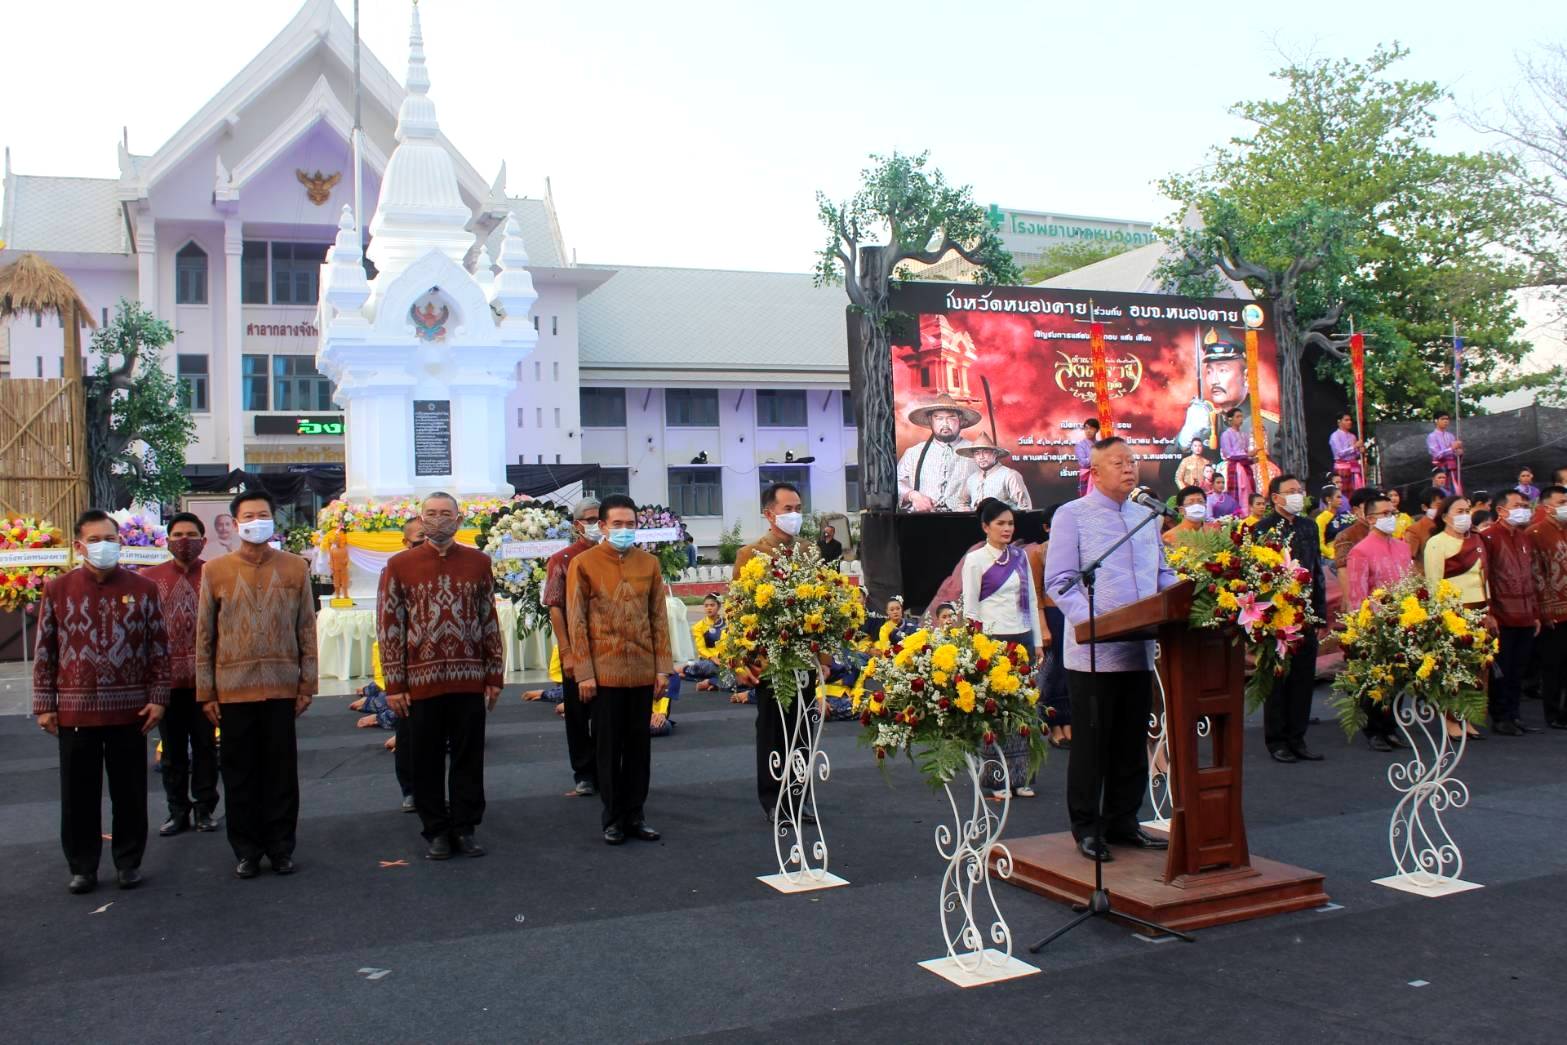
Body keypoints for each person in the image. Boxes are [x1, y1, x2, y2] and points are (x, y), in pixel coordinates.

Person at [1044, 437, 1177, 861]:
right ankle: (1087, 827)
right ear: (1096, 473)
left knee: (1131, 741)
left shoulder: (1146, 516)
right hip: (1094, 654)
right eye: (1118, 462)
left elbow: (1162, 573)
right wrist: (1092, 623)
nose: (1128, 468)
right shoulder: (1072, 515)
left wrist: (1189, 595)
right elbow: (1060, 582)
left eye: (1132, 461)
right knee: (1093, 745)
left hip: (1139, 649)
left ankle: (1123, 821)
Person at [33, 509, 169, 894]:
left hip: (131, 711)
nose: (103, 546)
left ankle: (129, 862)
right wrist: (44, 704)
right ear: (79, 546)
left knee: (130, 793)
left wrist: (159, 698)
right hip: (75, 712)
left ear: (120, 541)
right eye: (94, 541)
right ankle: (83, 867)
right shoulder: (57, 589)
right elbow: (45, 651)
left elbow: (159, 649)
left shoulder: (144, 589)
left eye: (110, 539)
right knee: (78, 796)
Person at [195, 490, 317, 879]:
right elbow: (205, 635)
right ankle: (246, 850)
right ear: (235, 523)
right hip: (233, 690)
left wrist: (307, 684)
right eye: (248, 516)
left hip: (282, 687)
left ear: (273, 520)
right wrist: (206, 692)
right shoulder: (215, 570)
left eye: (263, 514)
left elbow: (306, 627)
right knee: (239, 774)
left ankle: (281, 848)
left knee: (281, 773)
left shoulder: (296, 568)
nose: (256, 521)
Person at [377, 493, 505, 860]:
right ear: (421, 519)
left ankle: (465, 827)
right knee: (425, 759)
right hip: (420, 682)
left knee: (468, 756)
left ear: (458, 520)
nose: (438, 519)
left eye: (445, 513)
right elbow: (389, 626)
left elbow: (488, 619)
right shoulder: (399, 564)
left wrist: (494, 675)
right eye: (431, 514)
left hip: (469, 678)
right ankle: (435, 829)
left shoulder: (479, 562)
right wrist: (394, 684)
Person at [568, 493, 673, 845]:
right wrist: (584, 673)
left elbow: (659, 619)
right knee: (608, 748)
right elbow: (576, 622)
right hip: (604, 674)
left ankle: (636, 814)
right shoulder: (583, 563)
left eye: (630, 524)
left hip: (643, 671)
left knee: (639, 749)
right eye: (618, 524)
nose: (625, 529)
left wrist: (663, 669)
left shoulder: (649, 563)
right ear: (602, 526)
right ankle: (612, 818)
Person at [733, 482, 823, 821]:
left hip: (805, 654)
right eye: (788, 509)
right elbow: (739, 611)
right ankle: (773, 798)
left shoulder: (810, 551)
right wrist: (742, 660)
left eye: (798, 508)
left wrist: (824, 659)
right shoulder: (751, 553)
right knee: (773, 729)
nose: (795, 515)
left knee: (803, 730)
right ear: (769, 514)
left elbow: (824, 605)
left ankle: (799, 796)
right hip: (769, 659)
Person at [961, 499, 1046, 799]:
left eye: (1010, 523)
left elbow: (1032, 600)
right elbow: (971, 608)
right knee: (995, 712)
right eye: (1000, 523)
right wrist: (974, 648)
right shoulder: (975, 560)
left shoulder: (1020, 557)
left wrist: (1037, 641)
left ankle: (1022, 777)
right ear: (986, 527)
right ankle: (996, 780)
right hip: (992, 641)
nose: (1007, 529)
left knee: (1024, 711)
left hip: (1022, 639)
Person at [143, 512, 219, 837]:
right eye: (177, 535)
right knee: (172, 752)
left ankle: (205, 809)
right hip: (167, 683)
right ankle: (177, 810)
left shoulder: (215, 574)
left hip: (206, 683)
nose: (184, 541)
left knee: (206, 748)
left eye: (191, 534)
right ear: (167, 540)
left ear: (203, 540)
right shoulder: (149, 579)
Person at [1255, 475, 1328, 764]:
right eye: (1291, 491)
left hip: (1305, 613)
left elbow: (1317, 570)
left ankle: (1298, 738)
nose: (1298, 495)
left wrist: (1320, 615)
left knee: (1302, 678)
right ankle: (1277, 741)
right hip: (1277, 615)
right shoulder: (1262, 528)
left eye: (1300, 490)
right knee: (1278, 680)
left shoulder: (1309, 526)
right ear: (1276, 498)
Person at [1344, 494, 1414, 751]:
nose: (1391, 518)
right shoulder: (1360, 550)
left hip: (1403, 620)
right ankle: (1374, 730)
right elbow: (1357, 594)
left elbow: (1409, 583)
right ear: (1371, 519)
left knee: (1397, 676)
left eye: (1393, 513)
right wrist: (1363, 627)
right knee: (1375, 679)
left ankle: (1391, 727)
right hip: (1375, 623)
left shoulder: (1403, 546)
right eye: (1385, 514)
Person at [543, 499, 602, 797]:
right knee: (578, 714)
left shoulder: (613, 555)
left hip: (610, 650)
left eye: (599, 519)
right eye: (589, 519)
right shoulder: (562, 559)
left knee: (606, 715)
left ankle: (606, 769)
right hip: (576, 650)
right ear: (577, 524)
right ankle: (584, 773)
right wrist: (566, 652)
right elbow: (555, 607)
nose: (595, 524)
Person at [1478, 491, 1544, 736]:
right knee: (1502, 670)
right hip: (1502, 615)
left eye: (1526, 505)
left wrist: (1535, 613)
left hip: (1525, 614)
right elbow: (1484, 578)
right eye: (1518, 506)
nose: (1523, 510)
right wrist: (1490, 612)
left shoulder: (1524, 537)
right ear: (1501, 510)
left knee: (1518, 669)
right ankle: (1501, 716)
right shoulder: (1488, 537)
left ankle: (1514, 715)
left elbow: (1531, 576)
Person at [1422, 495, 1487, 741]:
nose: (1465, 515)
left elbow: (1485, 577)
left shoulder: (1477, 541)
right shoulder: (1436, 543)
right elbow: (1434, 583)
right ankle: (1449, 719)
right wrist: (1441, 616)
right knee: (1453, 668)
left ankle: (1468, 716)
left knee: (1476, 668)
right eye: (1459, 511)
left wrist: (1488, 609)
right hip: (1453, 613)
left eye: (1468, 510)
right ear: (1445, 516)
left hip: (1479, 610)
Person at [1026, 509, 1072, 748]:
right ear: (1047, 527)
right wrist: (1042, 626)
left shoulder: (1076, 548)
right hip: (1052, 615)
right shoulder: (1038, 553)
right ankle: (1055, 724)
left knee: (1071, 671)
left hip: (1074, 614)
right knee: (1054, 672)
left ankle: (1070, 721)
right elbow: (1035, 593)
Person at [897, 393, 979, 511]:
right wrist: (913, 495)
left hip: (967, 519)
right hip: (924, 519)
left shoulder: (977, 451)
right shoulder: (913, 453)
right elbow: (896, 483)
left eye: (951, 417)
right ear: (930, 420)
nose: (945, 423)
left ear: (960, 420)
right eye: (939, 418)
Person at [1528, 485, 1567, 729]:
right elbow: (1536, 575)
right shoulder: (1536, 532)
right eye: (1562, 502)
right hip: (1553, 612)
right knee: (1554, 665)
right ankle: (1553, 713)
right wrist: (1545, 610)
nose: (1565, 506)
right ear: (1547, 506)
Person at [959, 434, 1033, 510]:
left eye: (986, 452)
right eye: (977, 453)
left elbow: (1025, 508)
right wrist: (969, 513)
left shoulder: (1010, 475)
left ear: (995, 454)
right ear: (974, 457)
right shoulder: (971, 479)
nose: (981, 457)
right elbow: (962, 502)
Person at [685, 593, 735, 691]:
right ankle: (688, 670)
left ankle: (712, 682)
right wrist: (713, 658)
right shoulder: (698, 626)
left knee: (737, 669)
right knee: (712, 667)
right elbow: (701, 649)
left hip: (726, 659)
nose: (709, 608)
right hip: (708, 661)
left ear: (719, 606)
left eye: (712, 605)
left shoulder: (728, 623)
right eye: (706, 606)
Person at [1332, 487, 1381, 584]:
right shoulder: (1346, 536)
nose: (1376, 510)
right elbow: (1344, 573)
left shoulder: (1384, 532)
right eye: (1370, 505)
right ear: (1356, 510)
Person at [1219, 408, 1258, 508]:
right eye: (1238, 417)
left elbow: (1245, 451)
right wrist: (1248, 455)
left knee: (1249, 490)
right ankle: (1239, 513)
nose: (1241, 419)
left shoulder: (1244, 435)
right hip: (1235, 467)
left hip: (1245, 466)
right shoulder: (1226, 434)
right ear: (1230, 419)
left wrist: (1251, 459)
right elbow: (1229, 454)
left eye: (1241, 416)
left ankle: (1249, 512)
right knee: (1240, 491)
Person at [1427, 412, 1464, 494]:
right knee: (1442, 491)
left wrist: (1459, 453)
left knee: (1456, 490)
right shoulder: (1432, 436)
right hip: (1441, 468)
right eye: (1443, 419)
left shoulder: (1451, 436)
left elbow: (1455, 455)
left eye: (1447, 419)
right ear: (1436, 420)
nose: (1446, 421)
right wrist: (1452, 448)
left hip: (1452, 469)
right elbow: (1436, 455)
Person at [1405, 487, 1443, 561]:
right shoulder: (1415, 530)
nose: (1442, 509)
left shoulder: (1450, 525)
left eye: (1443, 505)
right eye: (1438, 505)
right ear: (1424, 507)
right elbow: (1409, 560)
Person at [1328, 413, 1364, 494]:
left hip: (1353, 467)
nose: (1349, 422)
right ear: (1339, 422)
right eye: (1346, 420)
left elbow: (1355, 454)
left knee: (1354, 491)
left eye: (1350, 420)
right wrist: (1354, 447)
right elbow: (1339, 453)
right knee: (1342, 492)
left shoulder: (1352, 436)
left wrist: (1360, 451)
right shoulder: (1335, 436)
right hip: (1342, 468)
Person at [1073, 418, 1101, 497]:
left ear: (1097, 430)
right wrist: (1097, 457)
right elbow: (1083, 463)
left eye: (1091, 428)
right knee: (1086, 499)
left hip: (1100, 476)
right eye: (1086, 428)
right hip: (1087, 477)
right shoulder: (1080, 445)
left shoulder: (1101, 445)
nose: (1088, 431)